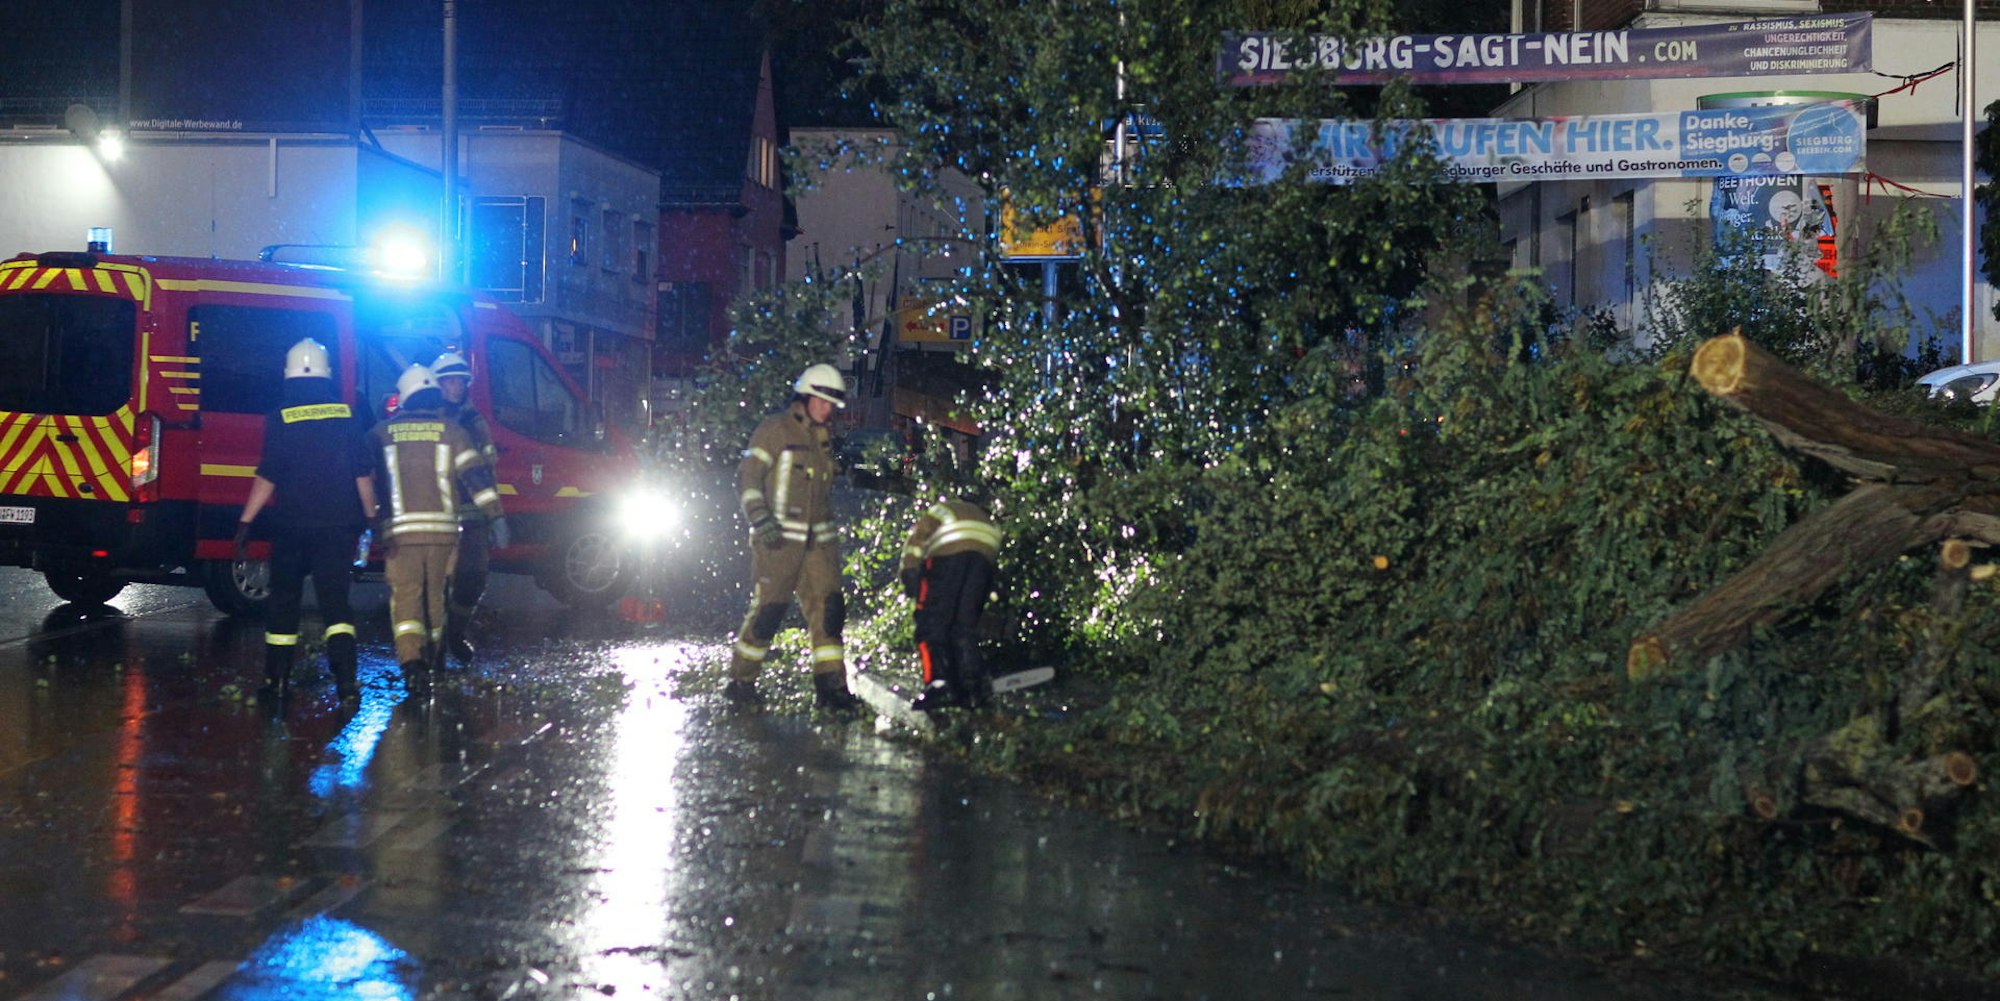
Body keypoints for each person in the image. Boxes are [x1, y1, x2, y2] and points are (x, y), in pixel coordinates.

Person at [233, 338, 376, 702]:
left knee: (283, 602)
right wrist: (372, 519)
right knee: (336, 605)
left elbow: (268, 475)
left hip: (292, 527)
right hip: (337, 528)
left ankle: (276, 680)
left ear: (288, 375)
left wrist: (245, 522)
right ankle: (346, 681)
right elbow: (363, 474)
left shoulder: (279, 417)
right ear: (327, 376)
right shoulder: (348, 416)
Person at [724, 363, 863, 711]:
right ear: (805, 396)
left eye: (832, 405)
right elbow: (747, 478)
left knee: (829, 612)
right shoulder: (775, 430)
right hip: (778, 543)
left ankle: (831, 688)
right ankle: (741, 682)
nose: (826, 409)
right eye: (821, 401)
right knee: (769, 611)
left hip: (819, 546)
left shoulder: (824, 440)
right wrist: (760, 519)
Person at [366, 364, 508, 685]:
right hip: (444, 533)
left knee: (406, 598)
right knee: (435, 596)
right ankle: (436, 655)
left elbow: (363, 478)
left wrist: (365, 522)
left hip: (400, 534)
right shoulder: (453, 432)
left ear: (404, 398)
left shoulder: (379, 433)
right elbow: (476, 477)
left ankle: (413, 663)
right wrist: (496, 515)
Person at [899, 492, 1002, 710]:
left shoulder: (942, 509)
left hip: (949, 550)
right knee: (962, 627)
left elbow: (918, 537)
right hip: (987, 551)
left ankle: (939, 685)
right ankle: (971, 688)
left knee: (931, 622)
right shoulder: (983, 515)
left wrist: (910, 568)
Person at [429, 351, 500, 666]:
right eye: (449, 381)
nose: (456, 387)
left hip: (472, 513)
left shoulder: (475, 421)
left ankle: (455, 633)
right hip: (437, 511)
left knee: (473, 578)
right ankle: (436, 645)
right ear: (438, 384)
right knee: (436, 582)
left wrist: (494, 514)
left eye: (460, 381)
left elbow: (487, 468)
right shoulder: (426, 418)